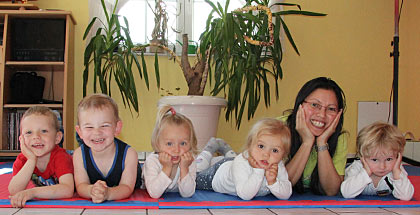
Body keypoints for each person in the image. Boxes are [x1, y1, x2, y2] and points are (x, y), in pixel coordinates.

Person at [196, 118, 292, 200]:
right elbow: (245, 195)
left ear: (283, 155)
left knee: (232, 159)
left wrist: (273, 182)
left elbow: (287, 194)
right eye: (261, 146)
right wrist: (258, 171)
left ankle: (226, 149)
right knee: (195, 177)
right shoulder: (241, 162)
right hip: (217, 174)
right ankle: (209, 150)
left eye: (275, 150)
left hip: (233, 163)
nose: (266, 155)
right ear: (250, 145)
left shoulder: (278, 165)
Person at [281, 77, 347, 196]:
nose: (322, 114)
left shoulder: (339, 138)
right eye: (315, 105)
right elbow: (280, 186)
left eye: (331, 109)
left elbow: (331, 191)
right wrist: (307, 142)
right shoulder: (278, 129)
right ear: (300, 105)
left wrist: (322, 143)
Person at [73, 94, 141, 203]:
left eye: (104, 126)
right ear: (79, 132)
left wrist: (108, 194)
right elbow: (81, 186)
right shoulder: (78, 155)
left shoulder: (129, 154)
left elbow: (127, 188)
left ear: (117, 128)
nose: (97, 132)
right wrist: (92, 191)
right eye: (89, 127)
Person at [8, 106, 74, 208]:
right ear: (21, 139)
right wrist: (31, 160)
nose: (36, 137)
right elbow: (14, 191)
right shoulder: (23, 159)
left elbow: (67, 189)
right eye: (29, 132)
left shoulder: (61, 157)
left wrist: (32, 192)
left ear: (57, 138)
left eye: (44, 131)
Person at [340, 122, 414, 200]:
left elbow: (406, 196)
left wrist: (397, 174)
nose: (382, 166)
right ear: (362, 157)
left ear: (398, 156)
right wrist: (365, 172)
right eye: (375, 160)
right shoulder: (357, 167)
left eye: (389, 159)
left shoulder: (396, 169)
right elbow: (346, 193)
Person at [142, 105, 197, 199]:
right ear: (157, 144)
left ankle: (208, 152)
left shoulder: (188, 161)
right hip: (142, 181)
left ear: (191, 143)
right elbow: (154, 193)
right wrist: (166, 168)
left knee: (204, 167)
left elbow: (187, 194)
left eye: (183, 143)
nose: (176, 150)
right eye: (169, 144)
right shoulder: (152, 161)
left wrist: (184, 169)